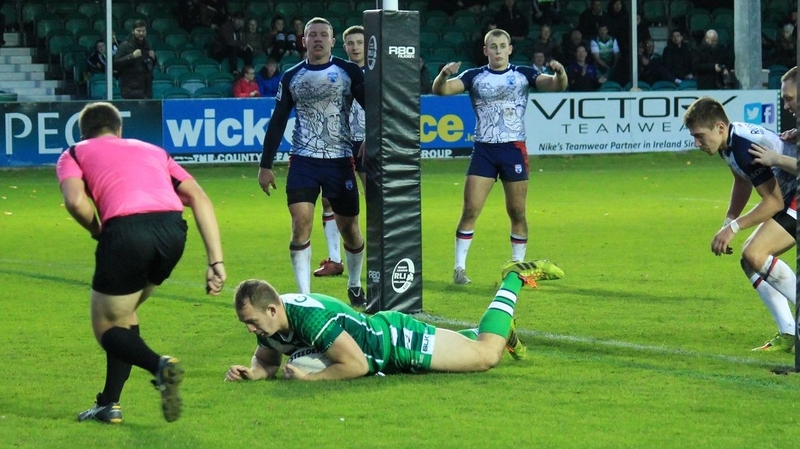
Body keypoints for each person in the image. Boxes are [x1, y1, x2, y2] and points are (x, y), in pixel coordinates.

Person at [56, 102, 226, 423]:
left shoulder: (74, 153)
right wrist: (215, 260)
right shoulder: (153, 150)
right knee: (124, 314)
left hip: (125, 231)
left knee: (107, 325)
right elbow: (198, 197)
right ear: (119, 130)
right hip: (172, 231)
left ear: (84, 132)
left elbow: (75, 201)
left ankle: (160, 366)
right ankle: (109, 404)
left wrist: (98, 230)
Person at [224, 260, 564, 381]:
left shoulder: (309, 319)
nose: (250, 330)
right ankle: (499, 329)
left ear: (272, 309)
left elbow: (356, 365)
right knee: (481, 343)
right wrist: (253, 372)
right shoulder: (268, 324)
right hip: (387, 350)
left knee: (486, 357)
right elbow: (267, 359)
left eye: (252, 321)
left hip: (395, 342)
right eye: (245, 325)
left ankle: (514, 279)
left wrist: (309, 380)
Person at [432, 28, 568, 285]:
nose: (497, 51)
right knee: (471, 209)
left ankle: (519, 269)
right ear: (486, 51)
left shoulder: (523, 74)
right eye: (492, 46)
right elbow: (442, 90)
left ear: (509, 49)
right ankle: (459, 268)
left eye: (502, 46)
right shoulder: (474, 76)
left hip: (513, 149)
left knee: (517, 212)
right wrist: (442, 75)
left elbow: (554, 85)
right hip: (484, 149)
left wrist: (560, 73)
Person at [257, 17, 367, 307]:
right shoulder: (292, 76)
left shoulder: (349, 72)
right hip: (303, 159)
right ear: (303, 41)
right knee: (300, 222)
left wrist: (373, 136)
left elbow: (374, 108)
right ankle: (305, 296)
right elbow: (278, 120)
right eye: (312, 35)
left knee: (350, 229)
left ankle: (354, 284)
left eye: (324, 35)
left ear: (332, 41)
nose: (318, 39)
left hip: (340, 159)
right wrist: (265, 165)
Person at [683, 97, 797, 353]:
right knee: (750, 261)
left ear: (720, 127)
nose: (696, 143)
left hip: (794, 194)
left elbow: (773, 202)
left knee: (755, 254)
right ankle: (789, 331)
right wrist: (729, 219)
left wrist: (733, 228)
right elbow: (742, 180)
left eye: (700, 136)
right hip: (789, 195)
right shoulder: (729, 144)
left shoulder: (744, 146)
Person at [315, 25, 368, 279]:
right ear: (344, 46)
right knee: (328, 200)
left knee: (374, 201)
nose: (355, 47)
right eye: (351, 43)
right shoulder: (339, 73)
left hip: (369, 144)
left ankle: (380, 259)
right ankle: (335, 259)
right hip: (341, 144)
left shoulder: (377, 73)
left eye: (360, 42)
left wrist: (374, 137)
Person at [114, 20, 156, 99]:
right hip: (130, 89)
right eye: (138, 31)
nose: (141, 33)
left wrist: (154, 58)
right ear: (133, 31)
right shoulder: (125, 45)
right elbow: (116, 63)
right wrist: (132, 56)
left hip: (146, 89)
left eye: (143, 31)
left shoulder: (147, 45)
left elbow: (150, 65)